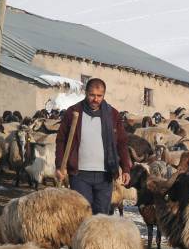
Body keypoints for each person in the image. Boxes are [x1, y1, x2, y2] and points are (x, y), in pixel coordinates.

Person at [54, 78, 132, 215]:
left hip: (105, 174)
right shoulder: (73, 113)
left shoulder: (112, 115)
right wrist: (60, 165)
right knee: (82, 214)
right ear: (86, 93)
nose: (95, 99)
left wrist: (126, 168)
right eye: (92, 95)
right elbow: (61, 140)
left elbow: (122, 142)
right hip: (79, 174)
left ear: (103, 95)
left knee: (101, 215)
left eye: (99, 96)